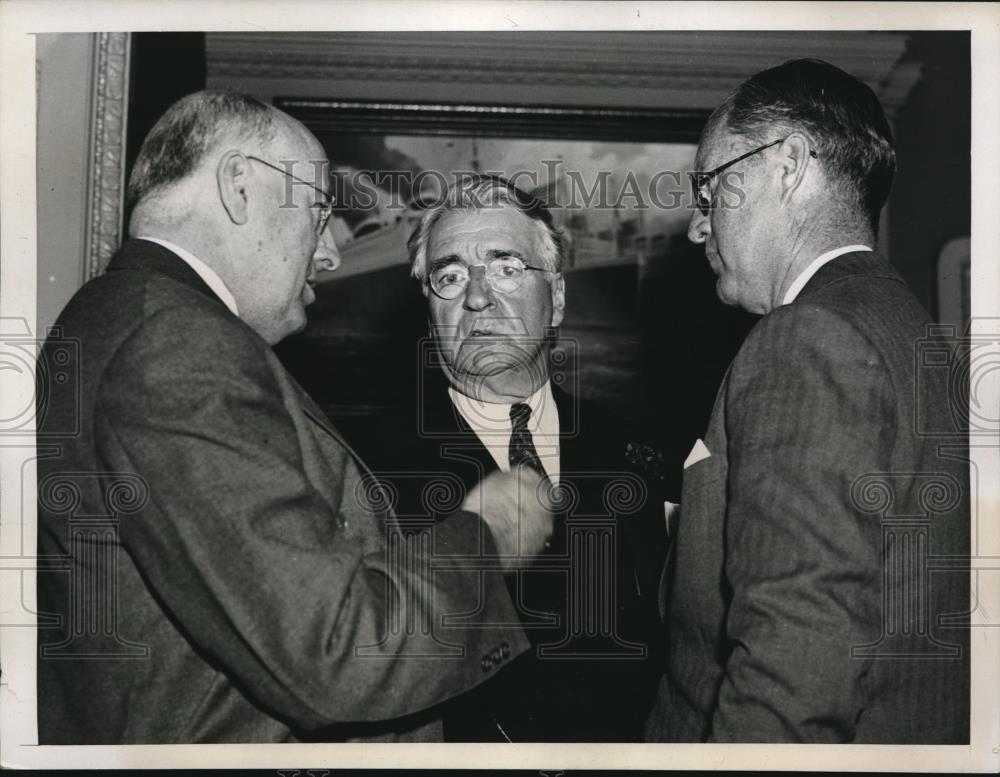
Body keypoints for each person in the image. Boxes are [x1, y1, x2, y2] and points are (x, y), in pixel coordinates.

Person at [35, 91, 554, 744]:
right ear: (239, 187)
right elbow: (334, 650)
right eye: (318, 207)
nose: (331, 252)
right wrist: (487, 537)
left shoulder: (115, 319)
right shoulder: (176, 345)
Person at [645, 58, 969, 743]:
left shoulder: (805, 338)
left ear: (788, 164)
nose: (699, 226)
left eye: (710, 187)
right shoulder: (909, 329)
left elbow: (796, 656)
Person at [343, 175, 668, 742]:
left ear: (558, 296)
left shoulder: (645, 452)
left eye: (506, 268)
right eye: (448, 277)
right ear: (429, 310)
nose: (476, 296)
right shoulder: (365, 468)